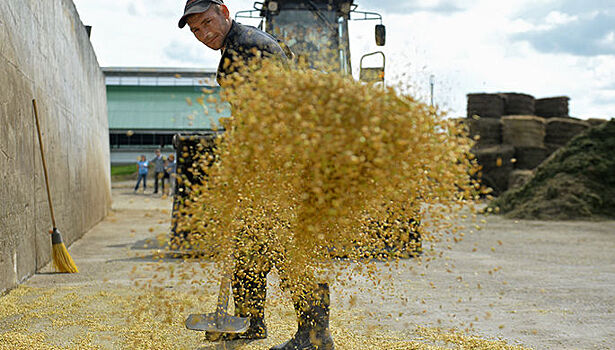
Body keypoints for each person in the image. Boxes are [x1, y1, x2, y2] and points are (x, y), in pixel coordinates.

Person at [179, 2, 334, 349]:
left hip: (282, 168)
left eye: (207, 23)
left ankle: (315, 336)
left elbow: (280, 113)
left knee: (285, 250)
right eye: (196, 31)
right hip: (266, 165)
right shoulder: (236, 48)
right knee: (249, 246)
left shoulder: (252, 47)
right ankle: (249, 322)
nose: (205, 34)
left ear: (224, 11)